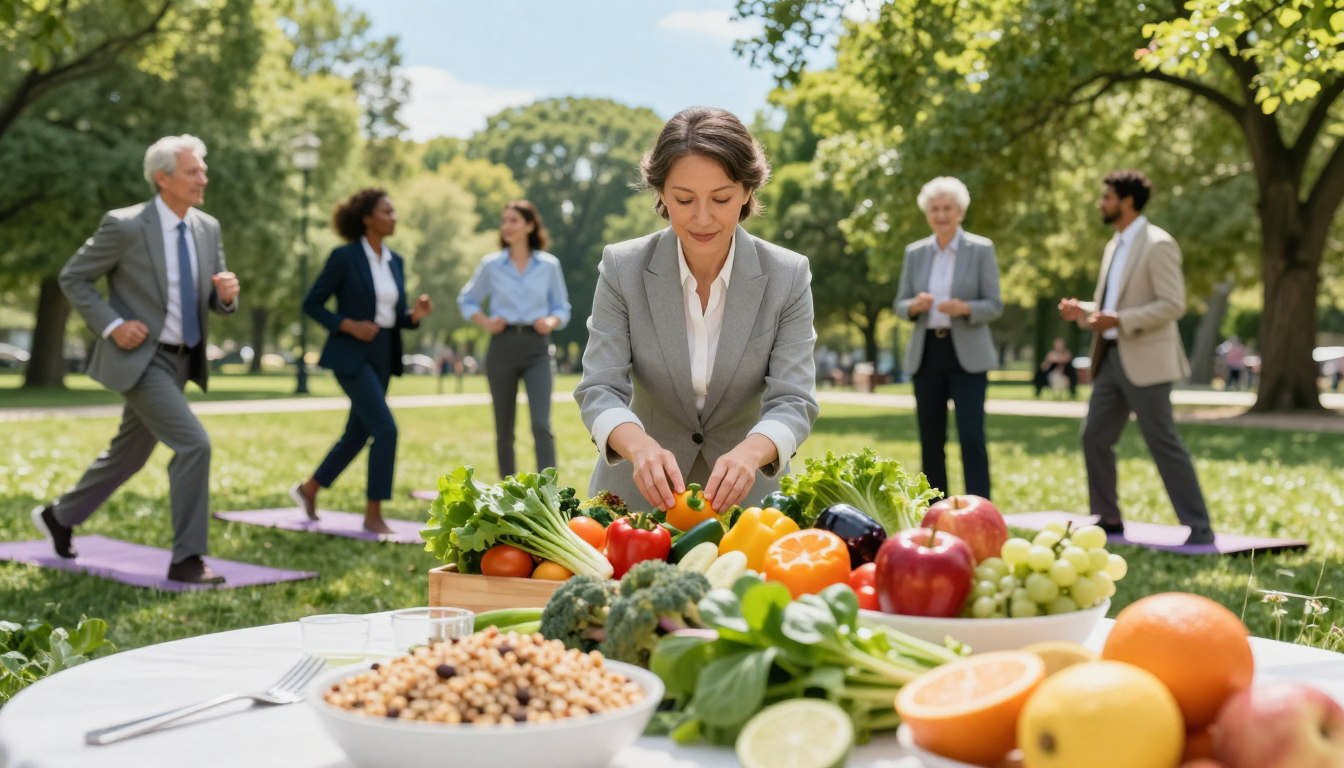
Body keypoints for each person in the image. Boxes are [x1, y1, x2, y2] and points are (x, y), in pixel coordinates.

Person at [575, 106, 819, 512]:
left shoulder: (788, 275)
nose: (702, 218)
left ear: (747, 191)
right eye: (684, 199)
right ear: (661, 193)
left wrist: (751, 453)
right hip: (635, 500)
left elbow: (794, 399)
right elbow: (599, 388)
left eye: (721, 198)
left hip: (750, 506)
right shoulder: (621, 268)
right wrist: (639, 447)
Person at [31, 134, 239, 584]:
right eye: (193, 171)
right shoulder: (124, 226)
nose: (203, 178)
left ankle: (60, 516)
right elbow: (74, 277)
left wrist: (225, 296)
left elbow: (214, 297)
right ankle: (187, 559)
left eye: (203, 170)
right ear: (163, 178)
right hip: (142, 360)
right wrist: (113, 325)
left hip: (184, 360)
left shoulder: (208, 227)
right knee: (194, 445)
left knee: (128, 455)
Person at [1059, 170, 1215, 545]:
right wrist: (1084, 311)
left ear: (1127, 201)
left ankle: (1199, 527)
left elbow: (1172, 304)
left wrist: (1120, 319)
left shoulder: (1158, 244)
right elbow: (1113, 306)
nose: (1101, 204)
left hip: (1148, 362)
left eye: (1107, 197)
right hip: (1110, 358)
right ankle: (1109, 518)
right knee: (1095, 437)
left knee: (1162, 441)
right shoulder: (1114, 245)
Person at [290, 189, 432, 534]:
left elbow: (392, 315)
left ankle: (310, 488)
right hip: (350, 354)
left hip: (384, 353)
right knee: (385, 429)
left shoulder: (395, 261)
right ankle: (373, 514)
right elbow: (312, 303)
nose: (394, 217)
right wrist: (348, 325)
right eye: (387, 211)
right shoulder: (345, 257)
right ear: (367, 218)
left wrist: (413, 315)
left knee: (358, 433)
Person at [894, 177, 1003, 499]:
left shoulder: (981, 249)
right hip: (927, 353)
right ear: (927, 213)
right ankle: (935, 508)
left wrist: (965, 307)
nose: (941, 215)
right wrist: (914, 306)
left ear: (960, 212)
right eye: (935, 209)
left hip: (967, 354)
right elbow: (899, 304)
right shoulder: (914, 253)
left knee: (972, 437)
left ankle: (979, 506)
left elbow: (995, 304)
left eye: (947, 208)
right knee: (931, 439)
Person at [457, 200, 570, 478]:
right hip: (502, 347)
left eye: (513, 220)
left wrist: (551, 321)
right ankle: (507, 489)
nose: (506, 226)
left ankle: (548, 491)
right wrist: (484, 321)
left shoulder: (549, 265)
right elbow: (467, 299)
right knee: (504, 429)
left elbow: (562, 307)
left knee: (541, 425)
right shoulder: (491, 265)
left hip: (537, 348)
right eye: (504, 220)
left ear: (529, 225)